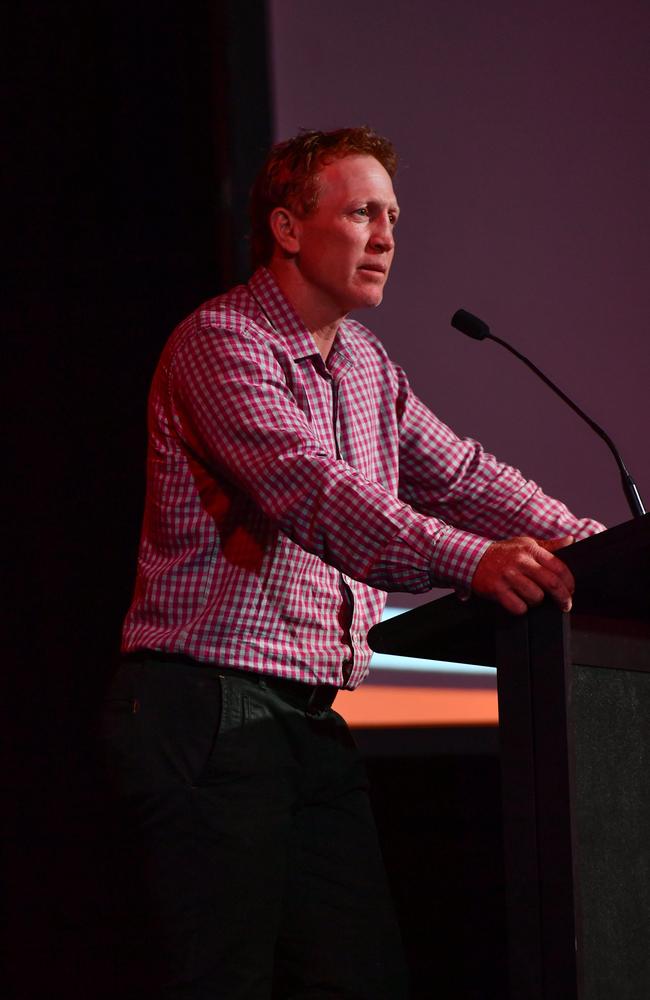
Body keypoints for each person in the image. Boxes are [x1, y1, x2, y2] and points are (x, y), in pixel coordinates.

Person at [103, 126, 604, 999]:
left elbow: (462, 475)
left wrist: (596, 546)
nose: (386, 239)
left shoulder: (367, 364)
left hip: (308, 723)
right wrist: (472, 562)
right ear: (290, 228)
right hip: (207, 710)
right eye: (363, 212)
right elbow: (316, 495)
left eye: (395, 218)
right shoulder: (223, 344)